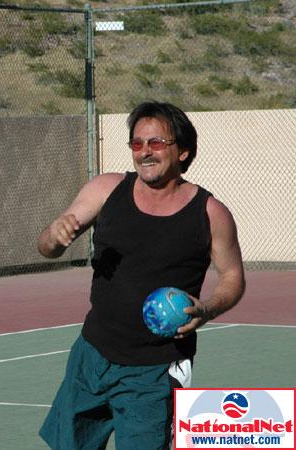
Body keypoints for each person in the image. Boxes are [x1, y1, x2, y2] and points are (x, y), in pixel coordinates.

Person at [37, 101, 245, 449]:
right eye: (137, 144)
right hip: (92, 356)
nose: (145, 152)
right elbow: (47, 245)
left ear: (183, 151)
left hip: (155, 371)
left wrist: (207, 309)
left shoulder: (210, 213)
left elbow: (233, 278)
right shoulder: (106, 189)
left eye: (157, 143)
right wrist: (53, 237)